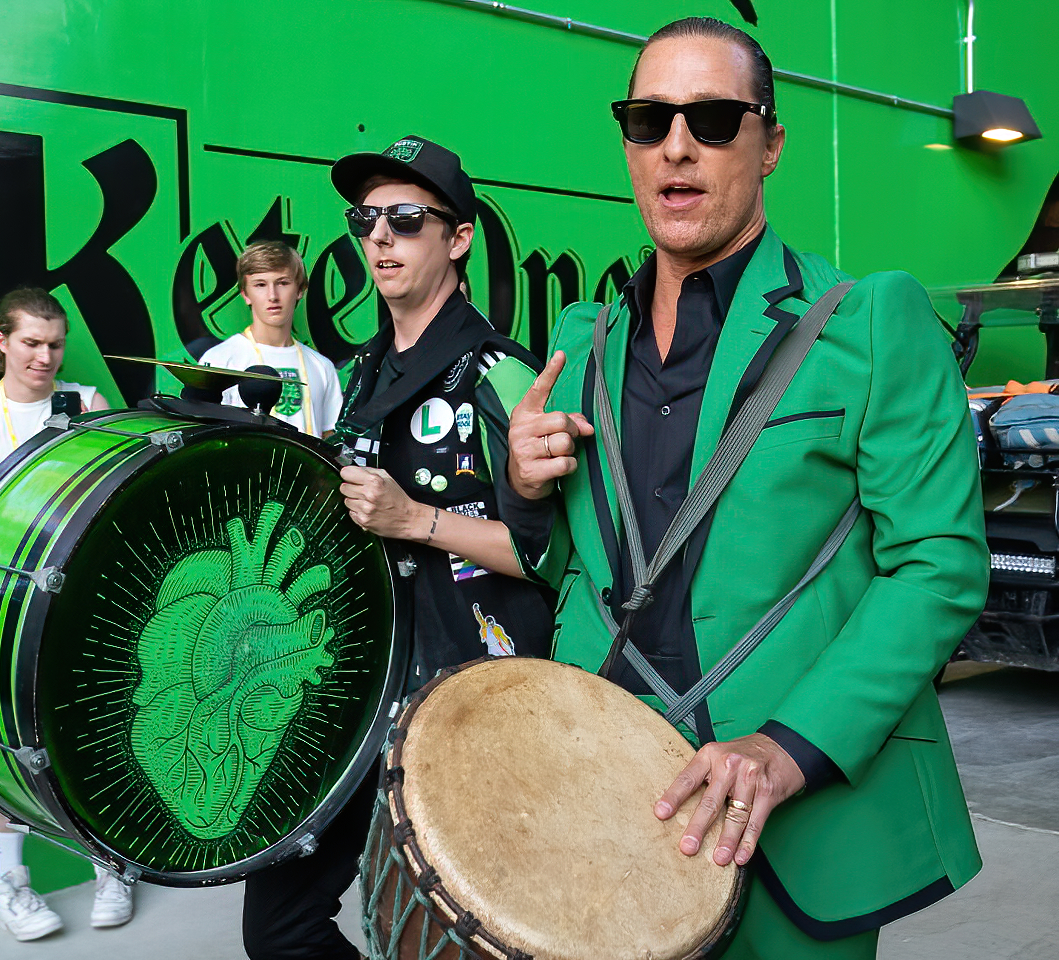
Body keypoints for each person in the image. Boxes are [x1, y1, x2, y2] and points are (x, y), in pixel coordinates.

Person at [504, 18, 989, 960]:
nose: (677, 146)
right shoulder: (582, 337)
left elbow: (936, 567)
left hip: (790, 829)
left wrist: (785, 748)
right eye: (650, 120)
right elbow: (562, 562)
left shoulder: (871, 320)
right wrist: (523, 484)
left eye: (715, 118)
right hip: (606, 806)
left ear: (770, 145)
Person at [241, 135, 555, 960]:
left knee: (454, 938)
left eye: (406, 219)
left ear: (456, 240)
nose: (379, 237)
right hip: (356, 684)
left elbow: (550, 557)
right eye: (365, 219)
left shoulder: (500, 373)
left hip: (471, 706)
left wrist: (415, 518)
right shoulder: (358, 372)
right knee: (277, 929)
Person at [0, 287, 131, 941]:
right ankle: (12, 883)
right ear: (1, 342)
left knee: (97, 732)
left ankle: (111, 863)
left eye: (54, 344)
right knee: (6, 746)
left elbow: (114, 513)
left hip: (84, 606)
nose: (44, 357)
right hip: (3, 615)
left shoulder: (89, 407)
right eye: (31, 343)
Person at [198, 240, 342, 437]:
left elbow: (330, 438)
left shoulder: (322, 366)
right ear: (245, 294)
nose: (272, 295)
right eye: (260, 285)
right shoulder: (219, 360)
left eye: (282, 283)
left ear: (300, 290)